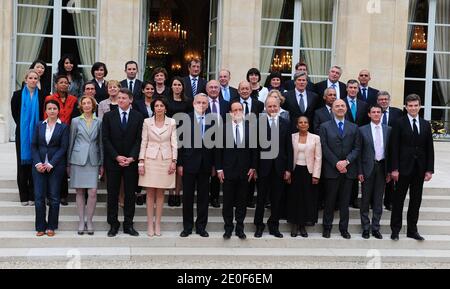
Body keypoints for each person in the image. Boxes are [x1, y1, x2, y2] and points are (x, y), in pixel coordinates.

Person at [390, 94, 434, 241]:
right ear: (406, 107)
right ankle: (395, 230)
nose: (413, 108)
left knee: (416, 201)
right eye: (410, 106)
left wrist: (429, 170)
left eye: (416, 105)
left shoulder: (426, 124)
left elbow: (429, 148)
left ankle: (412, 230)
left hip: (419, 169)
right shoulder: (399, 123)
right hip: (402, 169)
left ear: (419, 106)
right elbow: (394, 147)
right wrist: (394, 168)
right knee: (398, 200)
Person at [102, 88, 144, 237]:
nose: (120, 100)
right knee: (112, 194)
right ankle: (113, 224)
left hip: (131, 162)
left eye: (124, 98)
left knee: (130, 195)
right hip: (113, 162)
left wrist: (132, 157)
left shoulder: (138, 117)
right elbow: (105, 139)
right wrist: (116, 156)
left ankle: (128, 224)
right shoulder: (108, 116)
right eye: (119, 98)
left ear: (130, 100)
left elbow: (140, 139)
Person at [216, 101, 258, 240]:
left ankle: (240, 228)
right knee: (227, 202)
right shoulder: (222, 128)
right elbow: (218, 150)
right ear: (230, 113)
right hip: (227, 171)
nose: (237, 112)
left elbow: (254, 150)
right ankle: (228, 228)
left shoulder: (251, 128)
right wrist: (219, 169)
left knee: (242, 201)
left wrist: (253, 167)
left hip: (245, 171)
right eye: (235, 110)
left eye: (240, 109)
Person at [320, 99, 361, 239]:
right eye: (337, 106)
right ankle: (327, 228)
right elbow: (324, 147)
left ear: (346, 108)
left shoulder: (354, 127)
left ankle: (344, 229)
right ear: (332, 109)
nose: (340, 108)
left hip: (348, 171)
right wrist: (337, 163)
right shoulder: (324, 126)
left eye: (342, 106)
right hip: (332, 170)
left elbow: (357, 148)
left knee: (345, 202)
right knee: (330, 201)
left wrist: (346, 162)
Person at [254, 95, 292, 239]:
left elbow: (289, 147)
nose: (272, 109)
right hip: (263, 167)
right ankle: (259, 225)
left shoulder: (286, 123)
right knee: (261, 199)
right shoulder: (258, 122)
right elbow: (255, 148)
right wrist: (254, 168)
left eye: (275, 106)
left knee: (277, 198)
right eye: (269, 106)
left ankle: (273, 225)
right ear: (265, 108)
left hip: (279, 167)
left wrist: (289, 169)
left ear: (279, 107)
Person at [138, 98, 177, 237]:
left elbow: (174, 143)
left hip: (166, 159)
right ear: (153, 108)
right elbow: (144, 142)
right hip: (150, 159)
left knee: (161, 193)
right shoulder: (147, 122)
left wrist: (174, 161)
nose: (159, 108)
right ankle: (149, 224)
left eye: (161, 106)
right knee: (149, 193)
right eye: (156, 106)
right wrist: (141, 162)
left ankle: (158, 224)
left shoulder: (171, 122)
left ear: (165, 108)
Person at [177, 93, 215, 238]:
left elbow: (216, 145)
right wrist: (180, 163)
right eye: (198, 102)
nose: (201, 105)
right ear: (193, 103)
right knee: (187, 197)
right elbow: (180, 143)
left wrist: (214, 165)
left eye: (204, 103)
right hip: (188, 163)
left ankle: (201, 227)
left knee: (203, 198)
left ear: (207, 105)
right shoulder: (185, 119)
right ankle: (187, 227)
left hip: (205, 164)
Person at [31, 100, 69, 237]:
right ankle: (40, 226)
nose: (52, 111)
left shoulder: (63, 127)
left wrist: (51, 163)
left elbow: (63, 148)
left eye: (54, 108)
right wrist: (37, 163)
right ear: (45, 111)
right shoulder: (39, 125)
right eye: (49, 108)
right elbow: (34, 145)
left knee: (54, 197)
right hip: (39, 166)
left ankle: (52, 226)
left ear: (58, 110)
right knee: (39, 197)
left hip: (55, 166)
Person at [67, 95, 103, 236]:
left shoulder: (99, 121)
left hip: (93, 159)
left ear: (93, 105)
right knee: (80, 191)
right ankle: (81, 221)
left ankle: (90, 220)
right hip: (77, 159)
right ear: (81, 106)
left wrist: (102, 163)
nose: (87, 105)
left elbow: (100, 143)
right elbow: (71, 141)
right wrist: (68, 163)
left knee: (92, 192)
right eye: (84, 103)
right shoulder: (76, 121)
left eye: (89, 103)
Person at [11, 70, 45, 206]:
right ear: (25, 80)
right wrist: (25, 126)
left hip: (37, 134)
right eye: (30, 78)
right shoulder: (17, 95)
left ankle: (32, 195)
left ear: (38, 80)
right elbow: (15, 114)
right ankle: (24, 196)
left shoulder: (42, 95)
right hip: (22, 134)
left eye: (35, 78)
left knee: (35, 164)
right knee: (22, 165)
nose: (32, 80)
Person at [358, 104, 391, 240]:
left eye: (379, 112)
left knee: (378, 200)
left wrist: (389, 171)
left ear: (382, 114)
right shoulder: (362, 130)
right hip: (367, 168)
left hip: (382, 167)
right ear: (369, 114)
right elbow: (358, 152)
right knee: (365, 200)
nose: (376, 114)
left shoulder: (388, 130)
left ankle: (375, 228)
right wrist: (359, 171)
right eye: (374, 112)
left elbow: (391, 152)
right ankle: (365, 228)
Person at [45, 75, 78, 206]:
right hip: (52, 133)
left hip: (67, 133)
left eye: (66, 83)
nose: (64, 84)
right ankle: (50, 195)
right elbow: (45, 115)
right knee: (50, 162)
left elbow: (75, 118)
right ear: (56, 85)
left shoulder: (73, 99)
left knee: (63, 165)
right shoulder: (49, 98)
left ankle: (63, 195)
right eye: (61, 82)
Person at [288, 116, 322, 238]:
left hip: (309, 172)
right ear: (297, 125)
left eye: (305, 122)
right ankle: (295, 225)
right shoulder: (292, 137)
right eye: (300, 122)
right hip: (295, 170)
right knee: (295, 198)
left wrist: (316, 175)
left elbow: (318, 158)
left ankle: (303, 226)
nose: (303, 124)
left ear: (308, 125)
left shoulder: (315, 138)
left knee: (306, 198)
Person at [166, 77, 194, 207]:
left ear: (183, 87)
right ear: (171, 86)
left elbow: (190, 120)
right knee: (170, 166)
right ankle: (170, 193)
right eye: (175, 84)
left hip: (183, 136)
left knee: (180, 167)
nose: (177, 87)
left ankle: (177, 194)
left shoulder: (188, 102)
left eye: (179, 85)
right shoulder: (166, 101)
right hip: (168, 136)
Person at [238, 81, 264, 208]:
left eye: (247, 89)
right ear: (238, 91)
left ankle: (249, 199)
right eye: (242, 89)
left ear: (251, 90)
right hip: (238, 141)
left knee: (252, 169)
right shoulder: (234, 104)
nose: (244, 91)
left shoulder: (259, 104)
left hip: (255, 140)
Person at [344, 79, 369, 209]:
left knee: (355, 169)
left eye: (355, 88)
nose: (353, 90)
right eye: (351, 87)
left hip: (359, 139)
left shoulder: (363, 105)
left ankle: (354, 199)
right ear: (347, 89)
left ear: (358, 90)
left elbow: (365, 123)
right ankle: (344, 199)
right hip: (345, 139)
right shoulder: (341, 103)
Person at [377, 91, 403, 211]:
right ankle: (375, 201)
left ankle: (389, 202)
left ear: (389, 100)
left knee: (391, 178)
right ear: (377, 101)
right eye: (381, 99)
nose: (383, 101)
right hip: (378, 149)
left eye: (385, 99)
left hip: (393, 148)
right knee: (378, 176)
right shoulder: (374, 111)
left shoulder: (397, 112)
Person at [206, 80, 230, 208]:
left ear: (219, 90)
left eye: (216, 87)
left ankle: (214, 197)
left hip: (222, 142)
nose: (214, 89)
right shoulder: (202, 104)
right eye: (211, 87)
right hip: (205, 142)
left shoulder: (226, 104)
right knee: (205, 169)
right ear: (207, 90)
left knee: (218, 168)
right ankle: (204, 195)